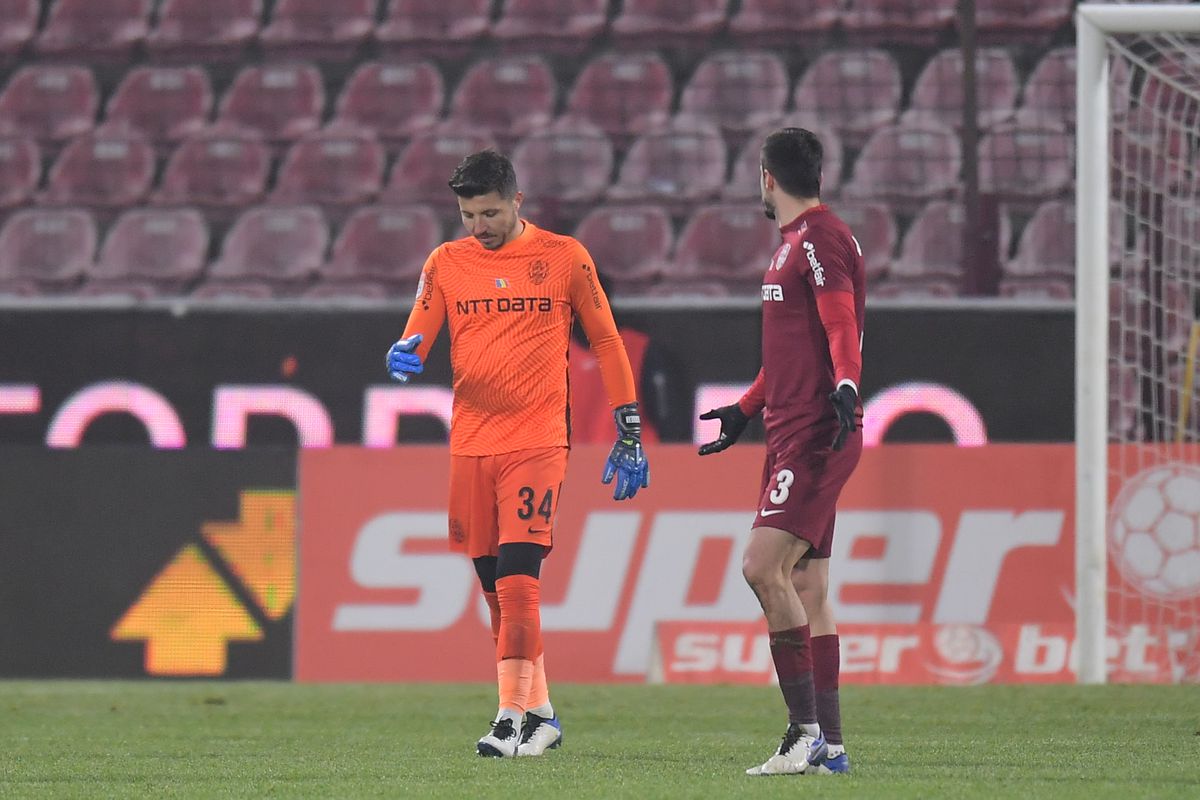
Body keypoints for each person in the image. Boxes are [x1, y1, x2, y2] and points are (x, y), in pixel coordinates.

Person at [385, 150, 650, 759]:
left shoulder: (563, 257)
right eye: (468, 214)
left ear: (517, 201)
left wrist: (627, 424)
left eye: (490, 212)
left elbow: (606, 340)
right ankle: (543, 713)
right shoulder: (445, 263)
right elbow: (417, 336)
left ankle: (507, 717)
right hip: (472, 442)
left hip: (536, 441)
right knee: (492, 589)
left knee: (518, 580)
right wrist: (402, 356)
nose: (480, 225)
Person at [697, 127, 864, 776]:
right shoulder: (795, 245)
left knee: (762, 567)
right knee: (808, 584)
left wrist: (847, 384)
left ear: (766, 177)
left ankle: (804, 734)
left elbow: (840, 323)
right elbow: (794, 354)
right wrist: (745, 410)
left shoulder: (819, 240)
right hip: (790, 427)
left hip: (815, 433)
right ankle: (833, 749)